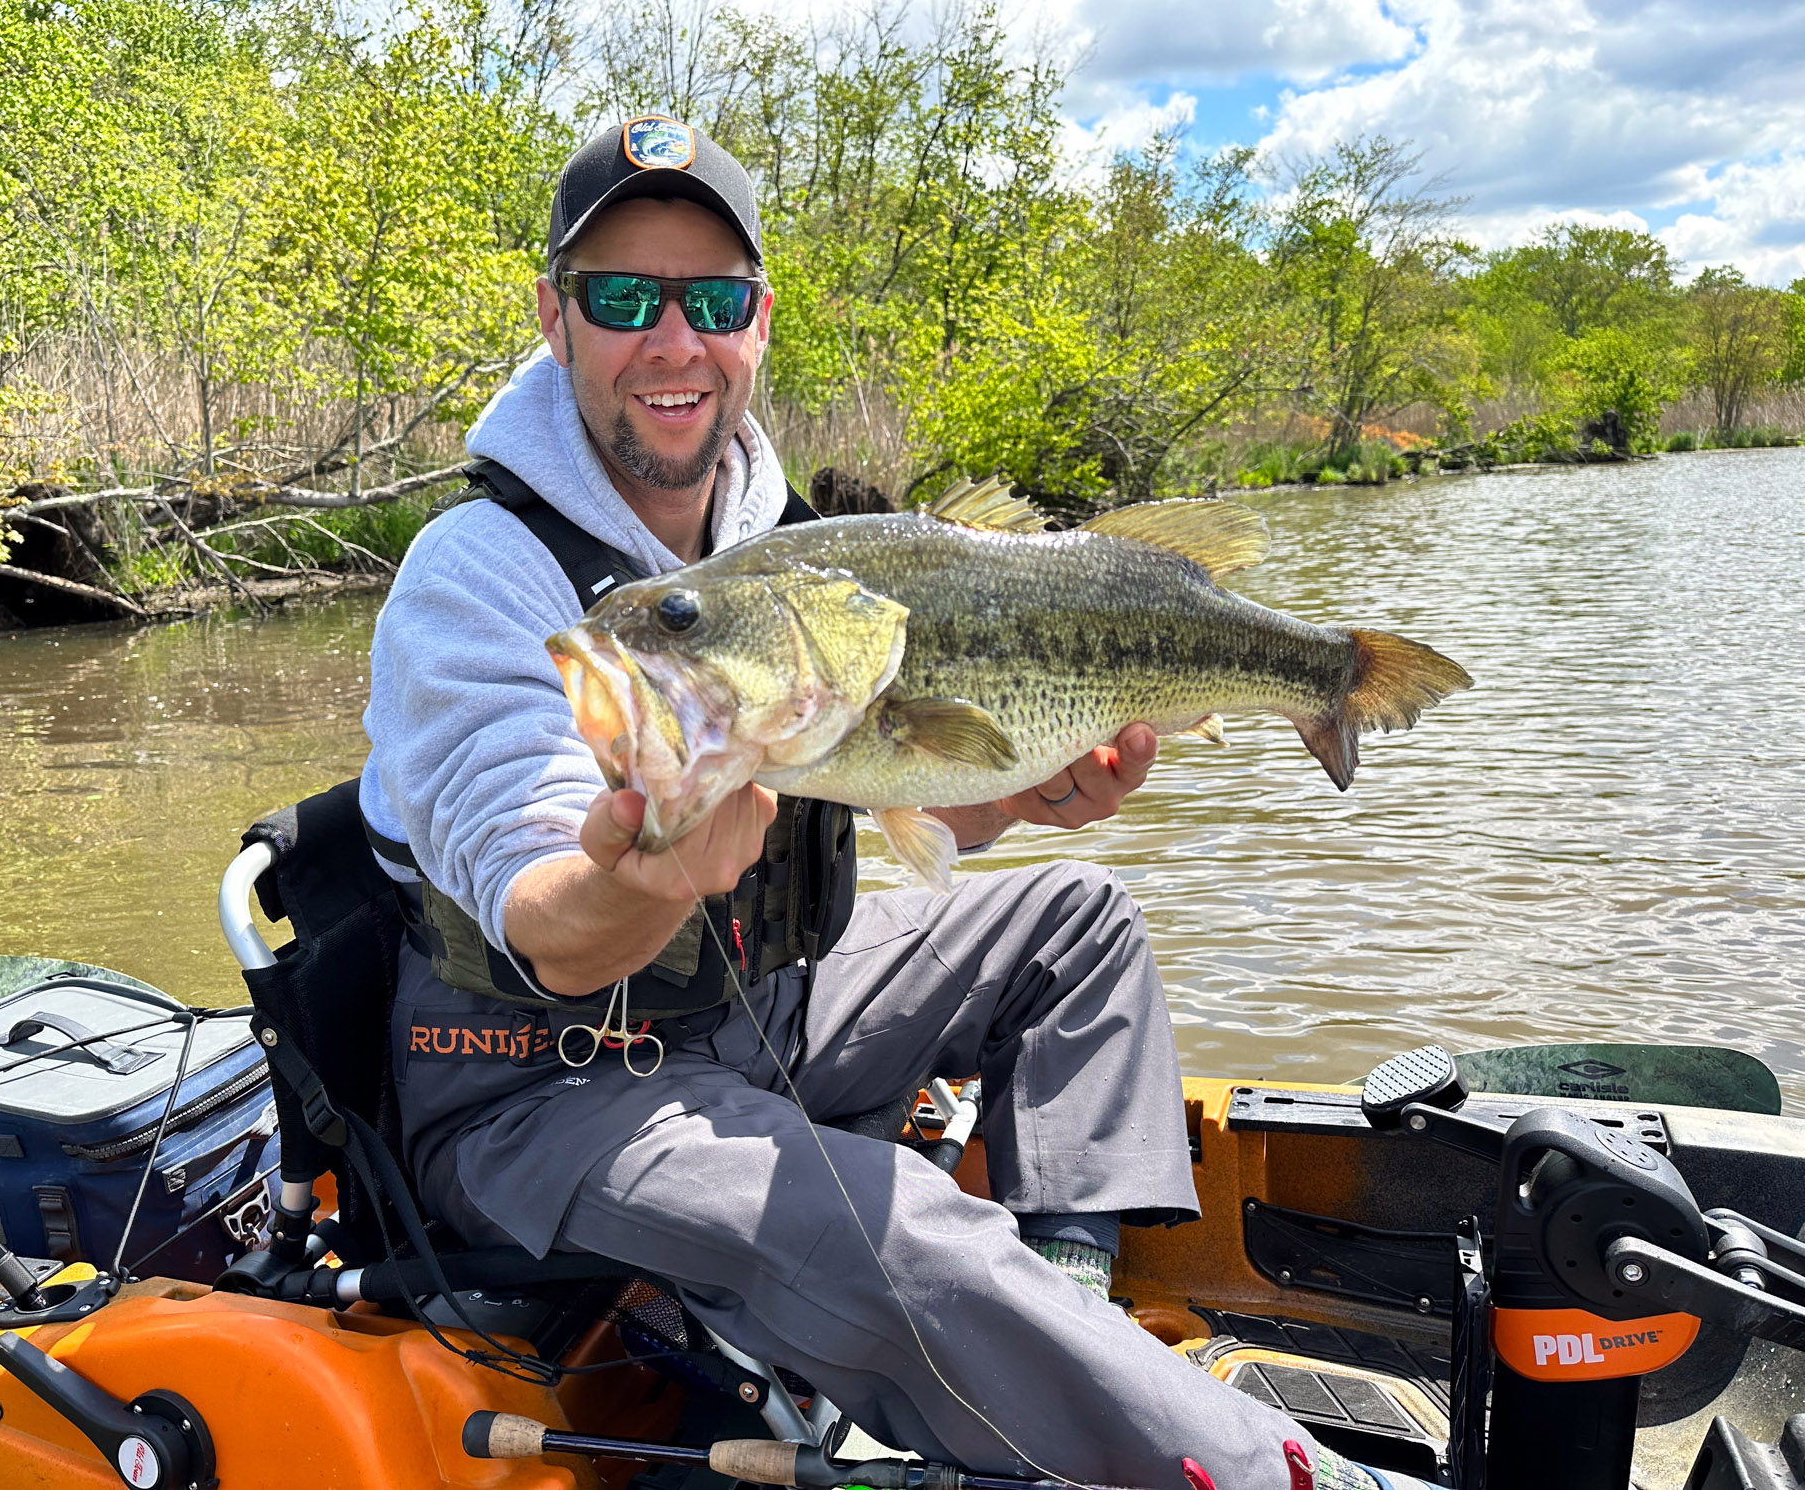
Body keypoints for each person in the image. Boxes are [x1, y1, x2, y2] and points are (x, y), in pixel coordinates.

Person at [358, 116, 1439, 1490]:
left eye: (716, 300)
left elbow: (902, 795)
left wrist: (1012, 800)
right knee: (911, 1235)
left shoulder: (788, 549)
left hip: (764, 1010)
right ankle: (1279, 1473)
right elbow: (549, 926)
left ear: (760, 325)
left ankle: (1067, 1289)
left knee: (1077, 921)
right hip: (544, 1095)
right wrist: (642, 878)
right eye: (623, 299)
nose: (674, 342)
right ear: (555, 319)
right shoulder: (479, 579)